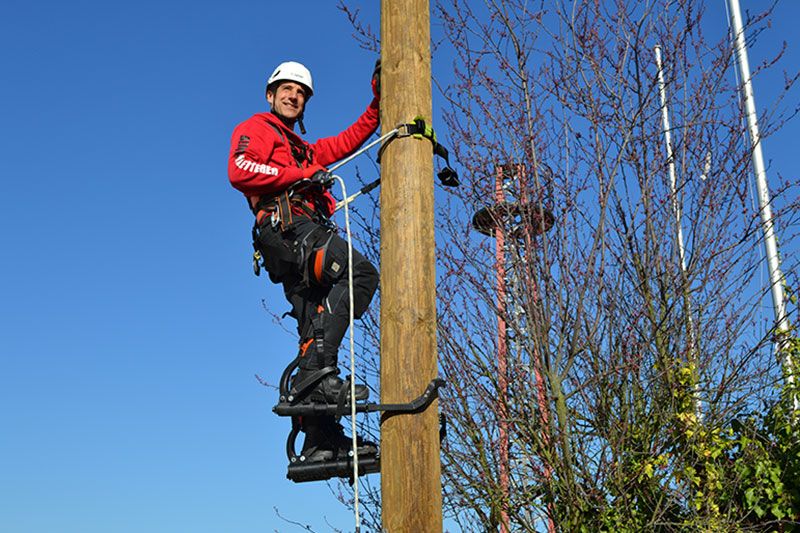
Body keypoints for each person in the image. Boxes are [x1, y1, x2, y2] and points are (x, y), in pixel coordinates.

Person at [228, 61, 380, 462]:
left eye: (301, 93)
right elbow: (240, 168)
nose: (294, 96)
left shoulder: (304, 148)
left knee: (315, 323)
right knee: (360, 273)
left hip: (297, 237)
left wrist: (379, 104)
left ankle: (320, 440)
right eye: (287, 90)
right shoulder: (258, 129)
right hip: (289, 228)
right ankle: (317, 375)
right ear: (271, 94)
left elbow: (348, 140)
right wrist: (299, 174)